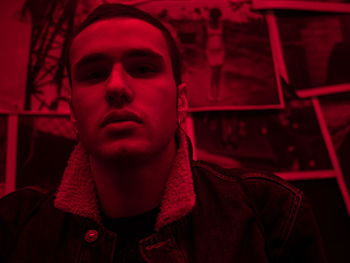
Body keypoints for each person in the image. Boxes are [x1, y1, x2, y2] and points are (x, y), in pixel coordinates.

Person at [0, 3, 327, 262]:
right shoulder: (15, 226)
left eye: (143, 68)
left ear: (180, 100)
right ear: (72, 110)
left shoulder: (269, 213)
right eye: (95, 73)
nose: (116, 87)